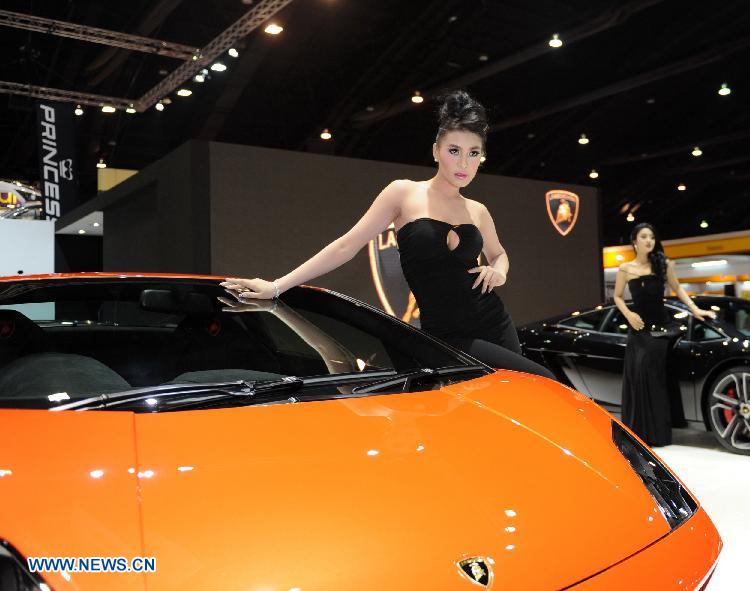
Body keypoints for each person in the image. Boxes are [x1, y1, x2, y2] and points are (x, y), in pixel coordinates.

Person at [220, 90, 555, 379]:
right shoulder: (403, 193)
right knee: (543, 382)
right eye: (454, 150)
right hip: (447, 335)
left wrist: (499, 272)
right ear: (436, 150)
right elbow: (346, 246)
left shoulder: (478, 210)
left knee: (517, 404)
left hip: (495, 323)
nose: (463, 163)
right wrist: (276, 286)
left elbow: (499, 254)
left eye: (474, 153)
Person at [613, 223, 716, 446]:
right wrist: (629, 314)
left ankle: (657, 434)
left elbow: (677, 289)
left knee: (653, 378)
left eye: (652, 236)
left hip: (660, 330)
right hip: (638, 329)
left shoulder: (663, 264)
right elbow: (618, 296)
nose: (649, 240)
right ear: (635, 241)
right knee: (638, 378)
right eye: (644, 236)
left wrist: (695, 309)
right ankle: (638, 436)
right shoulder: (625, 269)